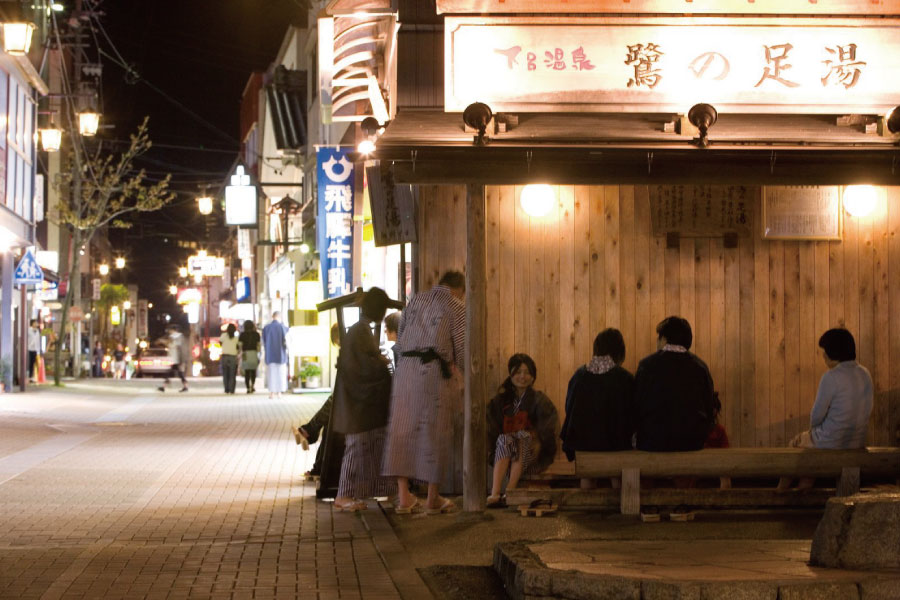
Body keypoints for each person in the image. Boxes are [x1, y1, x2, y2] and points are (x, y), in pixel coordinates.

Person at [382, 270, 466, 515]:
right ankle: (432, 498)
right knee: (436, 431)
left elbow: (400, 337)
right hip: (432, 372)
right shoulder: (456, 306)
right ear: (459, 289)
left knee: (402, 430)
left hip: (405, 370)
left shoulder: (416, 299)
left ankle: (404, 496)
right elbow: (460, 346)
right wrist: (460, 370)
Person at [778, 329, 873, 491]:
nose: (823, 356)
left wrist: (814, 430)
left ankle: (781, 491)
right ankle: (804, 486)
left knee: (797, 443)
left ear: (833, 353)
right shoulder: (865, 373)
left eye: (825, 353)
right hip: (858, 442)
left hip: (832, 441)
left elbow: (816, 416)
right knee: (811, 444)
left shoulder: (831, 377)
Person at [331, 288, 397, 511]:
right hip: (357, 402)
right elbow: (362, 366)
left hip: (356, 400)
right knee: (357, 447)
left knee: (365, 446)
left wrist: (377, 360)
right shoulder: (360, 331)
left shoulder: (359, 330)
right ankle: (344, 495)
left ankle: (357, 493)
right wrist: (380, 362)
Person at [560, 328, 635, 490]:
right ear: (620, 352)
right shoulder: (624, 378)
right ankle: (622, 507)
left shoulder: (579, 375)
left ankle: (586, 507)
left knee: (588, 476)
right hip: (615, 446)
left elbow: (569, 408)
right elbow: (632, 415)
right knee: (619, 473)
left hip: (581, 444)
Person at [485, 354, 558, 508]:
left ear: (532, 377)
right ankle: (496, 493)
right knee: (504, 439)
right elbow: (492, 432)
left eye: (527, 372)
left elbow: (547, 433)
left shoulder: (540, 400)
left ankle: (510, 491)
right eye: (518, 372)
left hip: (532, 458)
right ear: (511, 374)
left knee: (522, 436)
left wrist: (539, 444)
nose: (522, 376)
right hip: (505, 459)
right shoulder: (500, 401)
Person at [634, 316, 715, 451]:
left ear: (664, 339)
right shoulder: (701, 368)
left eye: (658, 338)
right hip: (692, 443)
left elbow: (636, 406)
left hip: (653, 442)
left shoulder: (646, 366)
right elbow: (709, 408)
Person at [263, 312, 289, 399]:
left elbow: (263, 341)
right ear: (280, 317)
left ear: (272, 316)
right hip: (281, 355)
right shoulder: (283, 327)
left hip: (270, 355)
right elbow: (287, 341)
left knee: (271, 375)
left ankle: (271, 393)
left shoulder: (266, 328)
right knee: (281, 374)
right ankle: (279, 393)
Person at [158, 326, 189, 392]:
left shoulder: (176, 337)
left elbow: (173, 345)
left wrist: (164, 342)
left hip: (177, 359)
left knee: (171, 373)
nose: (169, 332)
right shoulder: (178, 337)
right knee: (176, 373)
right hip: (175, 359)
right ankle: (165, 386)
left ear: (173, 330)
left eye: (170, 330)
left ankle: (164, 386)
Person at [238, 321, 260, 393]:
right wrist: (258, 353)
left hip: (245, 354)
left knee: (247, 372)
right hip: (253, 353)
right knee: (253, 371)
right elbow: (258, 346)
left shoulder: (242, 335)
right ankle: (252, 385)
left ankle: (248, 388)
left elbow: (240, 345)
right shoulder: (256, 334)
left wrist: (240, 354)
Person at [220, 323, 239, 394]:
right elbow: (238, 347)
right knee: (232, 374)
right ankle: (232, 389)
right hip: (233, 357)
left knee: (225, 374)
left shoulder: (223, 336)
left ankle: (226, 389)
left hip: (225, 356)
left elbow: (220, 343)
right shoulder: (236, 338)